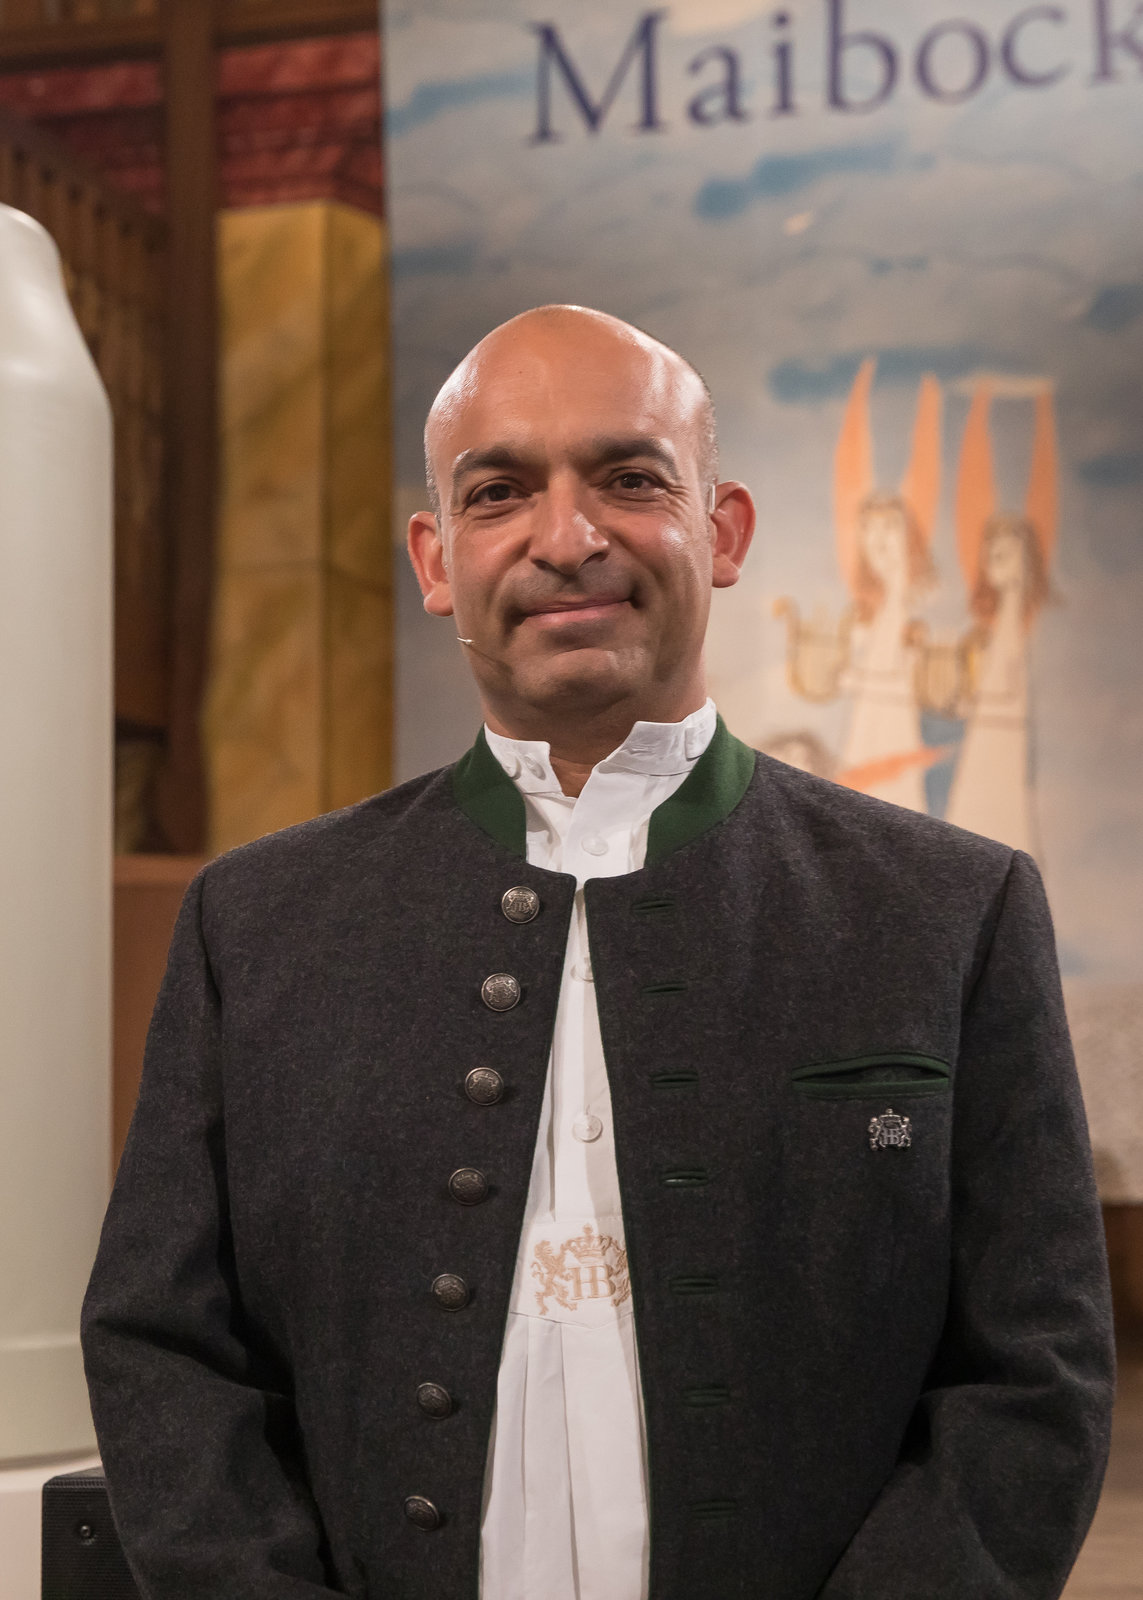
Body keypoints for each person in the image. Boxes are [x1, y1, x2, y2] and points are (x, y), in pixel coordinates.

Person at [82, 306, 1113, 1600]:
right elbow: (164, 1349)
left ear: (722, 531)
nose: (567, 539)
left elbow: (1035, 1378)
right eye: (499, 492)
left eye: (630, 479)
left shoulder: (951, 911)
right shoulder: (257, 923)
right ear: (436, 558)